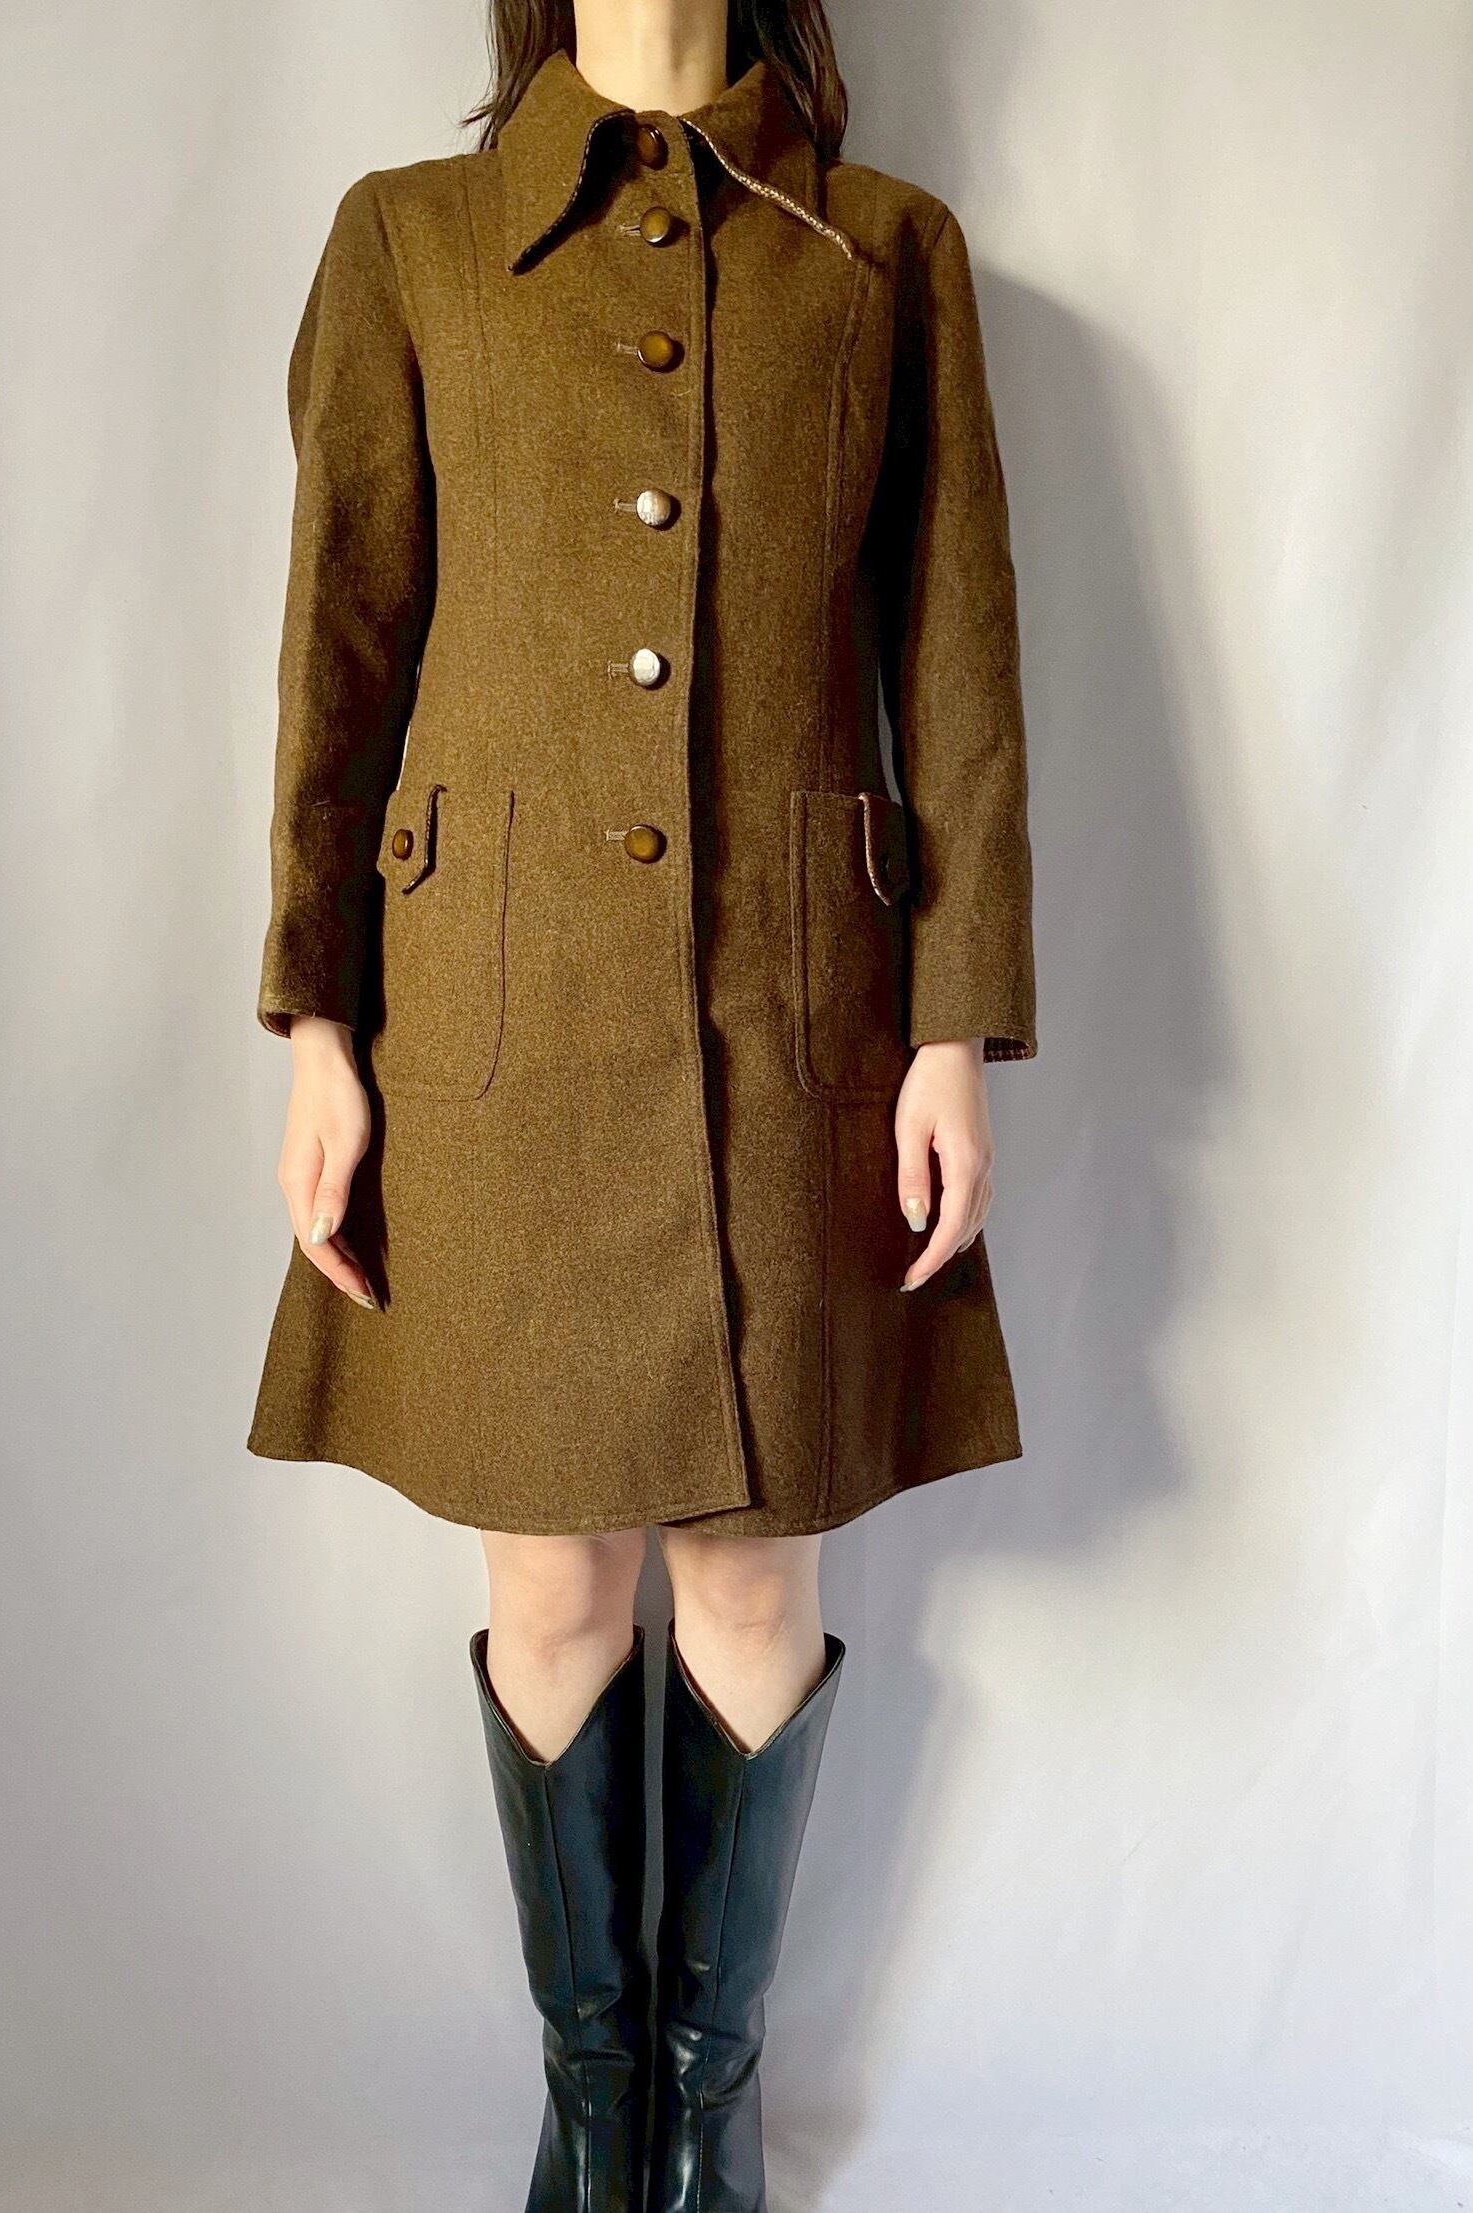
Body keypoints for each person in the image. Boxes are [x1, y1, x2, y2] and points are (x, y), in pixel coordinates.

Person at [246, 0, 1036, 2204]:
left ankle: (711, 2113)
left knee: (753, 1584)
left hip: (799, 1018)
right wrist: (318, 1023)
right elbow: (341, 643)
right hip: (488, 1023)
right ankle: (595, 2119)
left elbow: (955, 658)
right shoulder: (410, 238)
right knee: (554, 1587)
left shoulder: (887, 249)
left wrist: (954, 1027)